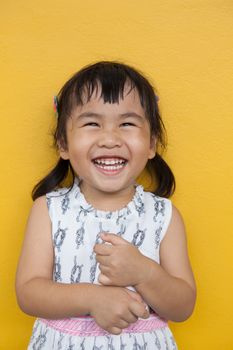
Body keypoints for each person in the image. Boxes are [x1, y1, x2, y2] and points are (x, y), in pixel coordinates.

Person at [16, 61, 196, 349]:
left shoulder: (164, 215)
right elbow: (28, 292)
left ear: (152, 143)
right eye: (91, 123)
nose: (110, 139)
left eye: (127, 124)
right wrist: (92, 298)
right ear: (63, 143)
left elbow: (183, 307)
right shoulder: (48, 210)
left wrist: (145, 273)